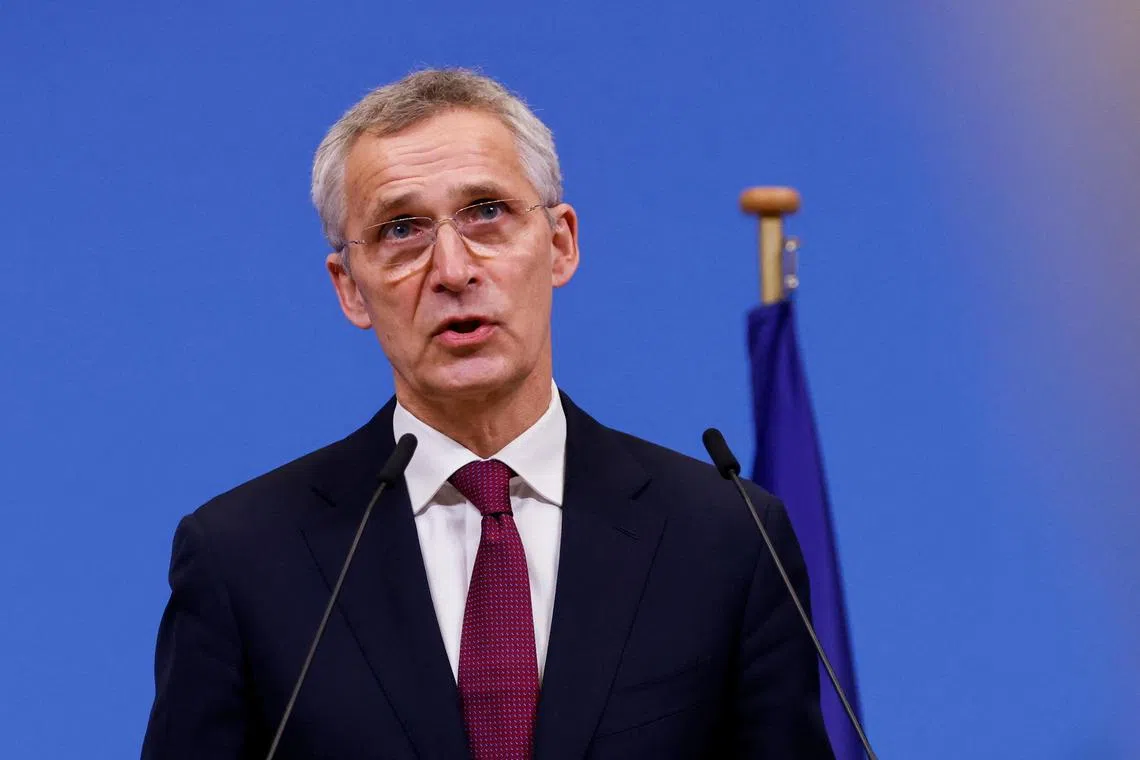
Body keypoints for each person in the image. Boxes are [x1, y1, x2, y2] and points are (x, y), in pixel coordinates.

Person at [141, 68, 834, 760]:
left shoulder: (727, 537)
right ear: (350, 288)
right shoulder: (243, 559)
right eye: (401, 229)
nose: (451, 268)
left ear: (560, 243)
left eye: (487, 213)